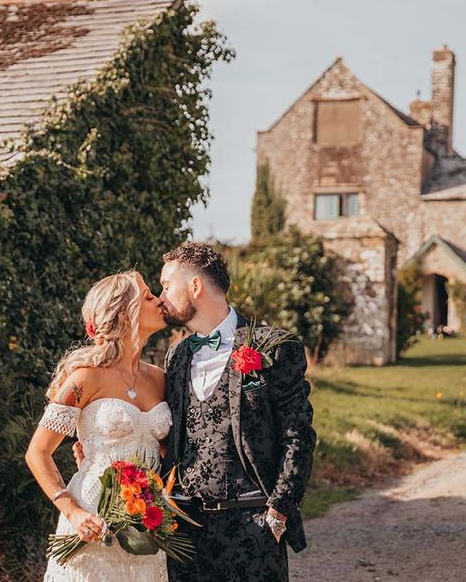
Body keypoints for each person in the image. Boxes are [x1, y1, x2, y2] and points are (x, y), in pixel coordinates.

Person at [157, 242, 316, 582]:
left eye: (166, 285)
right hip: (186, 530)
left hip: (252, 527)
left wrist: (278, 513)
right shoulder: (177, 356)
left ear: (195, 287)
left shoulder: (273, 346)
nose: (161, 297)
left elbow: (298, 434)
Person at [26, 271, 171, 582]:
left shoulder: (160, 378)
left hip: (145, 527)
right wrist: (73, 512)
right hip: (92, 521)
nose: (159, 300)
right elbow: (38, 452)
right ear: (124, 313)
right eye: (148, 296)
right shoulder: (84, 378)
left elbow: (167, 451)